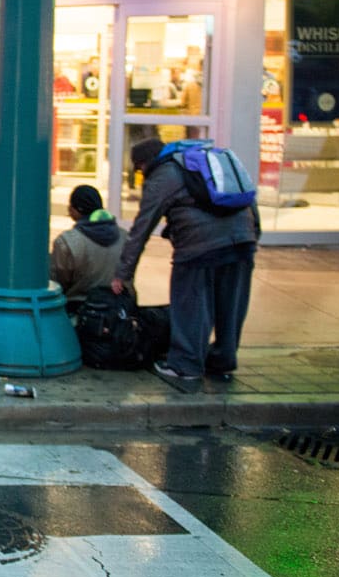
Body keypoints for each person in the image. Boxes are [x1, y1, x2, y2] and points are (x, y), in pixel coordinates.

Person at [111, 138, 259, 394]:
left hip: (199, 247)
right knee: (230, 306)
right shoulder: (205, 162)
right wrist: (252, 236)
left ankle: (186, 365)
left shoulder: (163, 174)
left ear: (144, 164)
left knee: (190, 305)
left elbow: (141, 228)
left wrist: (123, 274)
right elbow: (249, 200)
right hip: (242, 241)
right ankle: (224, 359)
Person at [49, 184, 123, 312]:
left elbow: (58, 282)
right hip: (119, 308)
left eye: (70, 206)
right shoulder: (124, 236)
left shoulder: (67, 242)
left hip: (80, 310)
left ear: (76, 210)